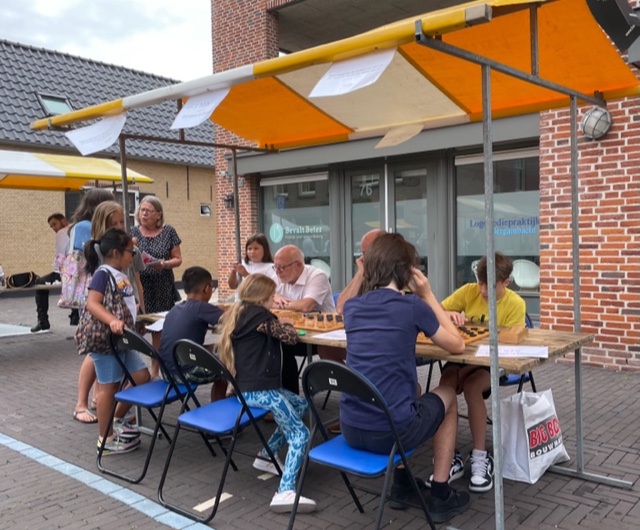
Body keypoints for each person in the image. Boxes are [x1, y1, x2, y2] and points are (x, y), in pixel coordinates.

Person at [341, 232, 470, 524]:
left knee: (414, 388)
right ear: (407, 271)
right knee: (448, 394)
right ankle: (440, 494)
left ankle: (401, 485)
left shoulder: (351, 307)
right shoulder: (412, 306)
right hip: (389, 433)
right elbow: (458, 345)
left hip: (350, 427)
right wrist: (427, 295)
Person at [218, 273, 316, 514]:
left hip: (249, 388)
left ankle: (267, 454)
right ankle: (285, 491)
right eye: (272, 296)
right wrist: (286, 324)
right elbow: (290, 338)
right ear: (263, 297)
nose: (274, 299)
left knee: (301, 405)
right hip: (259, 390)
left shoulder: (240, 313)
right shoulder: (260, 316)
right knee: (300, 434)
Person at [436, 252, 526, 493]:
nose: (483, 291)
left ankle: (480, 455)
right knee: (445, 382)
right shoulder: (467, 291)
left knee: (472, 386)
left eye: (490, 286)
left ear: (506, 282)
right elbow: (435, 311)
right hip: (462, 359)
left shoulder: (516, 304)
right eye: (480, 283)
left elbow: (508, 350)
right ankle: (449, 456)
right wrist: (446, 314)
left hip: (493, 364)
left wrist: (467, 369)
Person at [81, 228, 150, 455]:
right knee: (108, 388)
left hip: (122, 340)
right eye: (131, 251)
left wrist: (135, 320)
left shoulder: (119, 273)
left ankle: (115, 418)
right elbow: (92, 303)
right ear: (115, 252)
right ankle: (106, 440)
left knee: (141, 376)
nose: (133, 256)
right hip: (106, 343)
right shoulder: (103, 273)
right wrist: (112, 321)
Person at [68, 188, 116, 425]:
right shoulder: (85, 228)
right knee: (95, 349)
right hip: (94, 294)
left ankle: (97, 396)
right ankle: (81, 404)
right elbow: (85, 261)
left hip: (102, 293)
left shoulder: (88, 227)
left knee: (103, 347)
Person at [272, 244, 335, 393]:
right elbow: (262, 299)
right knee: (268, 341)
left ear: (298, 265)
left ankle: (291, 396)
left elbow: (306, 305)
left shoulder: (317, 276)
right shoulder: (278, 275)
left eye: (281, 267)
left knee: (282, 346)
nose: (277, 272)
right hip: (292, 330)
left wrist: (279, 302)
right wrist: (274, 296)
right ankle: (275, 393)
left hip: (319, 335)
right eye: (275, 267)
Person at [130, 196, 182, 376]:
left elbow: (178, 259)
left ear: (158, 214)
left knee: (158, 330)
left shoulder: (168, 231)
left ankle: (155, 371)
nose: (144, 214)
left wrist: (164, 264)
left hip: (162, 287)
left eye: (148, 211)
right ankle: (134, 369)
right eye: (142, 210)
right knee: (137, 327)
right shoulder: (132, 233)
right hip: (140, 287)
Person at [158, 266, 227, 402]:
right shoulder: (201, 307)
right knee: (227, 363)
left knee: (218, 347)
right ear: (206, 288)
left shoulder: (174, 309)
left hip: (166, 372)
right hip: (186, 373)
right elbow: (231, 320)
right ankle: (219, 406)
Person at [31, 213, 69, 332]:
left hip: (62, 273)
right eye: (51, 226)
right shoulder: (74, 230)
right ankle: (75, 315)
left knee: (39, 283)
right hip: (75, 271)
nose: (53, 228)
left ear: (63, 221)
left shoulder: (61, 233)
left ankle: (43, 321)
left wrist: (57, 268)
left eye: (54, 224)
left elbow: (60, 256)